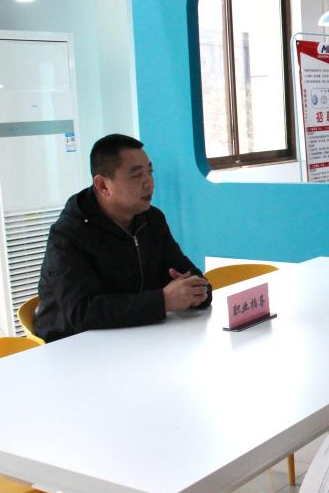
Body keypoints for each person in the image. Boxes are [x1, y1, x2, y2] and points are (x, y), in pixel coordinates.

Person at [34, 134, 212, 341]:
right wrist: (162, 301)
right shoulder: (68, 235)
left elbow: (191, 276)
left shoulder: (152, 219)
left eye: (150, 172)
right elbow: (82, 312)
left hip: (136, 336)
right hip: (74, 347)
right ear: (103, 185)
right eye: (136, 176)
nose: (149, 183)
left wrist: (197, 292)